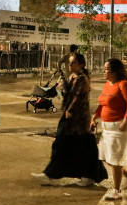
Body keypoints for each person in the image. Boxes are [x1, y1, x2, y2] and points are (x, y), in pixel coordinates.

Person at [33, 53, 107, 186]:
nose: (70, 65)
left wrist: (70, 111)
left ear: (81, 65)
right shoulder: (72, 77)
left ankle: (52, 175)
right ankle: (56, 174)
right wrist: (63, 89)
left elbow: (78, 97)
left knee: (66, 145)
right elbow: (68, 95)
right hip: (71, 118)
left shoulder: (82, 79)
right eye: (69, 63)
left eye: (73, 63)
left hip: (77, 119)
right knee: (77, 147)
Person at [91, 58, 127, 201]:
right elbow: (103, 103)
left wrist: (126, 120)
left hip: (120, 127)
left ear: (115, 71)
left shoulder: (123, 84)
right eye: (104, 68)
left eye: (107, 69)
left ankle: (117, 191)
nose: (104, 71)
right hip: (107, 127)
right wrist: (94, 117)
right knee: (107, 158)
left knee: (116, 159)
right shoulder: (107, 85)